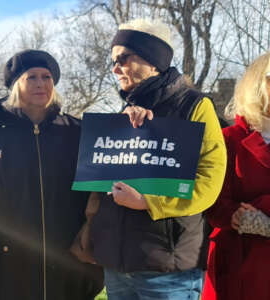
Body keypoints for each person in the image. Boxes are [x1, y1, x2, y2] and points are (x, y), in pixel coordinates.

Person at [88, 19, 227, 300]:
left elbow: (209, 180)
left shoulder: (195, 106)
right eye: (113, 61)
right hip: (117, 266)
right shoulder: (123, 111)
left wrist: (149, 203)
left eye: (123, 59)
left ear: (153, 60)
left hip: (168, 270)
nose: (115, 69)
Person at [0, 49, 103, 300]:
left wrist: (92, 262)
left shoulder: (77, 133)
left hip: (69, 269)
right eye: (32, 77)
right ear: (16, 85)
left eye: (47, 77)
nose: (41, 84)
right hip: (10, 269)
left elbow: (96, 199)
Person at [202, 51, 270, 300]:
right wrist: (237, 217)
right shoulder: (229, 139)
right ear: (257, 84)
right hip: (239, 264)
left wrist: (262, 210)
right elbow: (213, 202)